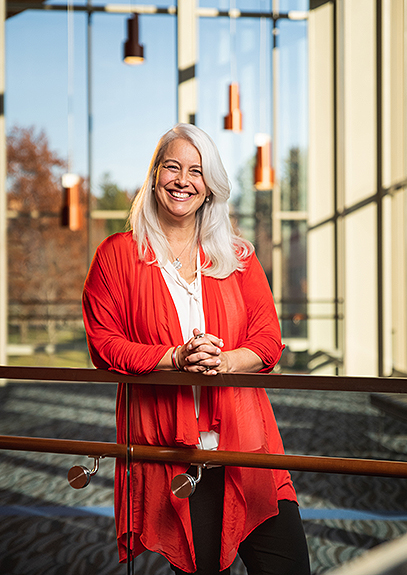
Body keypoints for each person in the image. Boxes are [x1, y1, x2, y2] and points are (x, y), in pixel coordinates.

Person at [82, 123, 310, 575]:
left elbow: (267, 341)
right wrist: (176, 358)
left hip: (247, 445)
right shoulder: (117, 255)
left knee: (288, 566)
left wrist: (223, 361)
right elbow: (103, 344)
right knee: (205, 569)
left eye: (196, 171)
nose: (183, 180)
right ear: (154, 176)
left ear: (210, 187)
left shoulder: (238, 256)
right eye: (172, 167)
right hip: (176, 450)